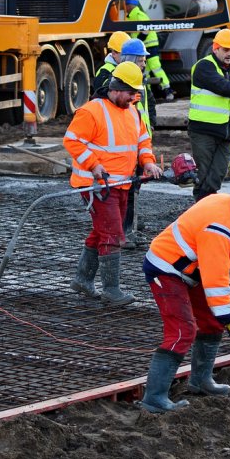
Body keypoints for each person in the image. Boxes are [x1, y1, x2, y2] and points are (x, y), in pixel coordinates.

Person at [139, 179, 230, 412]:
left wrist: (221, 316)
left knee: (211, 321)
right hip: (165, 268)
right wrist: (229, 317)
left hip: (188, 270)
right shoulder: (220, 226)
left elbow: (213, 273)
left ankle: (200, 381)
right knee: (181, 331)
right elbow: (215, 278)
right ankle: (154, 398)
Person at [64, 61, 164, 304]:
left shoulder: (132, 111)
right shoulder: (91, 111)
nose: (134, 97)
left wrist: (148, 161)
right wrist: (94, 164)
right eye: (131, 92)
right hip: (96, 186)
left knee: (103, 231)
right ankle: (111, 290)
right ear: (117, 88)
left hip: (121, 184)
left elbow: (143, 141)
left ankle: (82, 279)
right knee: (112, 234)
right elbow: (72, 141)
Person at [96, 38, 155, 245]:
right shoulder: (115, 81)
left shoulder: (138, 80)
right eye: (141, 59)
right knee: (124, 194)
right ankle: (123, 233)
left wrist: (150, 126)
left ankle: (127, 230)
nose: (144, 63)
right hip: (122, 147)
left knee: (132, 191)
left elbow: (148, 107)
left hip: (137, 141)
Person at [187, 29, 230, 200]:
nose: (229, 53)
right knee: (203, 173)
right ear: (215, 48)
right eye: (226, 49)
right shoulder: (204, 66)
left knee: (218, 173)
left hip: (227, 131)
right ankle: (202, 208)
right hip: (204, 131)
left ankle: (205, 205)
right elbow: (222, 87)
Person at [126, 0, 173, 100]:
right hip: (143, 47)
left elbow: (146, 30)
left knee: (155, 67)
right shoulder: (132, 16)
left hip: (149, 46)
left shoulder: (139, 15)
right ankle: (148, 92)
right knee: (145, 70)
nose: (125, 7)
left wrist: (138, 41)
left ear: (130, 6)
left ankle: (167, 89)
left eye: (126, 5)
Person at [92, 31, 133, 97]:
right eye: (125, 54)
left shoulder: (129, 68)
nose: (128, 57)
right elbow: (99, 95)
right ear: (114, 53)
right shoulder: (105, 71)